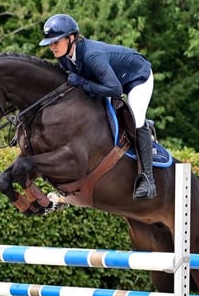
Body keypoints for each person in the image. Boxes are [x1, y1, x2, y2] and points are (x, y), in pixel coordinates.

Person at [38, 13, 157, 200]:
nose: (52, 47)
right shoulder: (64, 56)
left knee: (136, 119)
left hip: (136, 78)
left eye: (56, 42)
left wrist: (82, 82)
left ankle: (148, 180)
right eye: (50, 43)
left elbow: (115, 90)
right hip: (110, 80)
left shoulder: (93, 56)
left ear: (71, 38)